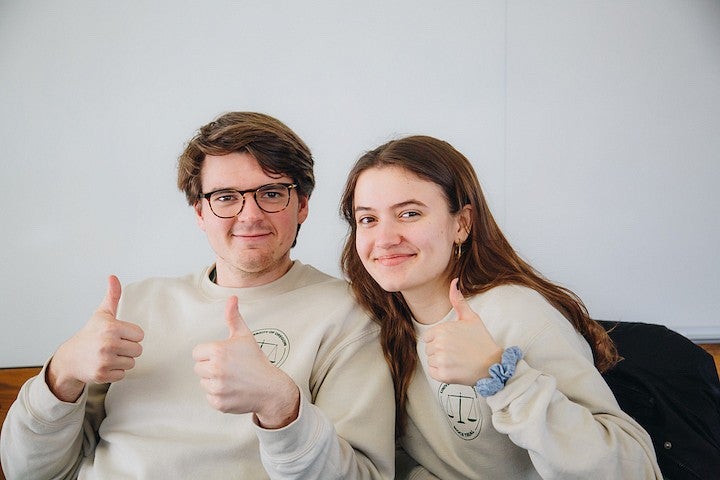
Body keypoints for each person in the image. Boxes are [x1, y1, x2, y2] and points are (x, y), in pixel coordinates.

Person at [1, 112, 395, 479]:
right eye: (225, 197)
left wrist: (280, 406)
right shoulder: (134, 304)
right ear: (199, 213)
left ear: (303, 205)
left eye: (272, 193)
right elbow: (27, 470)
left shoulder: (350, 314)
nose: (250, 214)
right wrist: (62, 372)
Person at [339, 135, 662, 479]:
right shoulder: (377, 324)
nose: (385, 238)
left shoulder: (516, 313)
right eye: (368, 219)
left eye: (410, 213)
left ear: (461, 224)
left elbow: (635, 470)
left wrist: (500, 374)